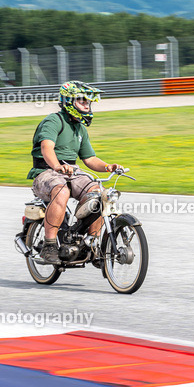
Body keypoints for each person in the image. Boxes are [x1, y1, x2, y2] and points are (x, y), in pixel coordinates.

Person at [28, 81, 122, 263]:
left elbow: (89, 159)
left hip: (72, 171)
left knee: (99, 194)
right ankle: (49, 245)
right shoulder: (54, 121)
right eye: (81, 100)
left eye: (88, 101)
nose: (87, 104)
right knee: (61, 191)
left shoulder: (80, 128)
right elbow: (47, 147)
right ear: (69, 101)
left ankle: (90, 243)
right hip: (46, 172)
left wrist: (108, 166)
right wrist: (56, 166)